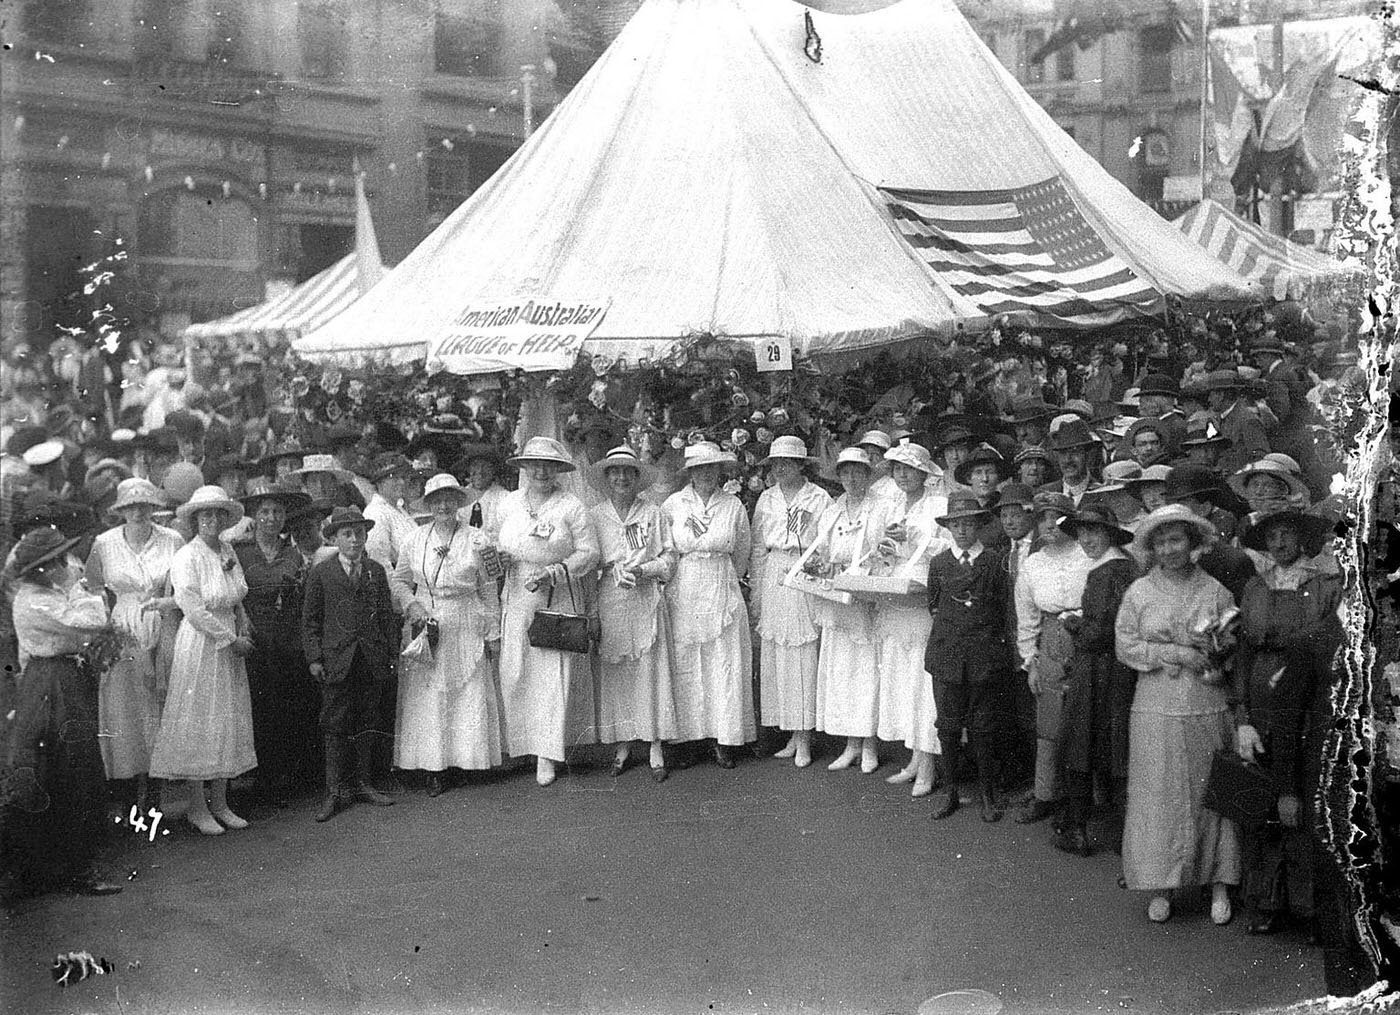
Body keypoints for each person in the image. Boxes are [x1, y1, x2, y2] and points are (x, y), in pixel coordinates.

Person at [1115, 504, 1241, 925]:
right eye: (1161, 541)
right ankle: (1162, 883)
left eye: (1177, 540)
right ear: (1152, 547)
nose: (1169, 549)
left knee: (1212, 793)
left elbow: (1229, 647)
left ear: (1193, 544)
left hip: (1206, 702)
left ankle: (1220, 883)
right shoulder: (1139, 593)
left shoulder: (1216, 591)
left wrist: (1213, 658)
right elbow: (1126, 646)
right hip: (1156, 704)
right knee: (1158, 795)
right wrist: (1174, 652)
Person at [1233, 507, 1342, 935]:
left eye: (1286, 535)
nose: (1278, 543)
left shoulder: (1323, 586)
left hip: (1308, 699)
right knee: (1261, 797)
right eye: (1271, 536)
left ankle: (1312, 908)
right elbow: (1242, 653)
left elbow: (1332, 646)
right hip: (1261, 697)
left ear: (1301, 540)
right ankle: (1267, 901)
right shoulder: (1255, 587)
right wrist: (1242, 714)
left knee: (1306, 796)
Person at [3, 527, 121, 895]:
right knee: (69, 767)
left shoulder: (46, 594)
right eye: (53, 562)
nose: (62, 566)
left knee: (70, 766)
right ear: (38, 569)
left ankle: (62, 864)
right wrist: (78, 589)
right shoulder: (36, 600)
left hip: (58, 677)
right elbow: (90, 621)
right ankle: (70, 868)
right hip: (51, 682)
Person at [149, 485, 257, 836]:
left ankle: (221, 803)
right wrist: (229, 639)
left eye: (217, 514)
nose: (211, 520)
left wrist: (241, 624)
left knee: (226, 717)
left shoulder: (227, 549)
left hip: (230, 639)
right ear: (195, 520)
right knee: (201, 720)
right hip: (202, 645)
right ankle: (197, 806)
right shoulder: (187, 557)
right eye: (204, 515)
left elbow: (237, 593)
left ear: (226, 519)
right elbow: (193, 609)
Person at [496, 436, 600, 786]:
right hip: (518, 595)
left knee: (550, 677)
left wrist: (555, 571)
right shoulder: (509, 503)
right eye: (534, 464)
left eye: (548, 465)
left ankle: (547, 754)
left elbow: (589, 554)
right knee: (517, 672)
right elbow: (496, 546)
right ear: (524, 467)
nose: (541, 471)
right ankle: (522, 746)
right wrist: (502, 558)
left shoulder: (571, 506)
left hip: (556, 596)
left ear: (558, 470)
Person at [391, 474, 504, 797]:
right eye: (436, 499)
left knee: (467, 688)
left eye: (449, 498)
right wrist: (411, 603)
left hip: (467, 617)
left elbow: (490, 588)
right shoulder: (414, 539)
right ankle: (434, 767)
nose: (443, 505)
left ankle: (465, 761)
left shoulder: (479, 539)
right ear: (428, 504)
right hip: (427, 619)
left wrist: (493, 631)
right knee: (430, 694)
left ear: (459, 502)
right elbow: (399, 581)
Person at [83, 478, 182, 811]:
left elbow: (182, 587)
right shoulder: (104, 543)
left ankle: (153, 801)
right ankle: (125, 803)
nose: (138, 512)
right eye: (131, 506)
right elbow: (92, 588)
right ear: (121, 510)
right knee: (125, 718)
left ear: (153, 507)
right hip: (122, 632)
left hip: (163, 625)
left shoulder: (172, 539)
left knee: (157, 712)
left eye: (144, 505)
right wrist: (105, 629)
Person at [301, 506, 400, 821]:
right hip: (337, 659)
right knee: (335, 724)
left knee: (366, 720)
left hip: (370, 658)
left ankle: (362, 783)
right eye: (347, 534)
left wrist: (390, 654)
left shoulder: (375, 571)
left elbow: (386, 616)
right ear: (334, 539)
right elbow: (311, 620)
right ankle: (334, 791)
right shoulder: (322, 573)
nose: (355, 540)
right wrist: (315, 657)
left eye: (359, 533)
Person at [586, 447, 679, 782]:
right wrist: (593, 610)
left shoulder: (652, 513)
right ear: (607, 478)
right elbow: (588, 564)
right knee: (618, 672)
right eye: (615, 472)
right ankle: (623, 743)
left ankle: (655, 744)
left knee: (649, 669)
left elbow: (670, 558)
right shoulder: (595, 516)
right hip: (610, 597)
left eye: (628, 472)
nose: (622, 478)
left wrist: (645, 570)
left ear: (637, 478)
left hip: (645, 597)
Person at [662, 441, 754, 768]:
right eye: (699, 468)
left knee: (723, 660)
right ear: (690, 472)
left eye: (711, 467)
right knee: (687, 660)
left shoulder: (733, 505)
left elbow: (743, 550)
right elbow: (666, 548)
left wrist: (728, 576)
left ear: (720, 470)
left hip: (720, 582)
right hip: (685, 586)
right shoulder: (674, 504)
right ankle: (689, 739)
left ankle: (724, 738)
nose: (706, 473)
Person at [1055, 503, 1139, 856]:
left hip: (1097, 671)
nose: (1087, 539)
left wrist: (1072, 623)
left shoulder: (1107, 572)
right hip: (1118, 671)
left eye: (1095, 531)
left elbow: (1098, 633)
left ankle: (1077, 830)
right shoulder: (1125, 569)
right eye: (1082, 532)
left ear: (1109, 534)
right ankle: (1119, 837)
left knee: (1081, 745)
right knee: (1112, 750)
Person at [925, 494, 1011, 822]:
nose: (961, 530)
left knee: (983, 727)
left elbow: (1002, 609)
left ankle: (988, 794)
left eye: (968, 523)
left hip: (983, 657)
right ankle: (951, 793)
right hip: (946, 656)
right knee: (947, 727)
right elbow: (933, 605)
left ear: (978, 525)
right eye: (955, 524)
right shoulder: (939, 564)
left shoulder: (994, 562)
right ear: (948, 527)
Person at [233, 478, 318, 807]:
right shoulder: (239, 551)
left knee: (287, 705)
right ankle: (258, 780)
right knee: (257, 707)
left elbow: (301, 599)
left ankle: (285, 778)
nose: (271, 517)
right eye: (265, 511)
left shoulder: (293, 553)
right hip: (253, 638)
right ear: (255, 516)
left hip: (287, 639)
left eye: (278, 512)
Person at [748, 436, 831, 769]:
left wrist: (815, 568)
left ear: (801, 465)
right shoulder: (767, 499)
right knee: (778, 654)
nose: (780, 468)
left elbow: (826, 544)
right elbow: (756, 548)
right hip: (774, 572)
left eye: (787, 462)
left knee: (802, 652)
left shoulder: (819, 497)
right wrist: (757, 591)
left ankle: (806, 737)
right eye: (775, 463)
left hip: (804, 571)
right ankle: (791, 733)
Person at [805, 448, 889, 773]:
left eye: (859, 472)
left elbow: (885, 552)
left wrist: (864, 573)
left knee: (866, 672)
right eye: (846, 472)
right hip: (836, 598)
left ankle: (869, 744)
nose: (852, 478)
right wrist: (824, 565)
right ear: (839, 476)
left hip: (864, 598)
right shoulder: (831, 511)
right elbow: (820, 550)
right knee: (841, 671)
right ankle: (850, 744)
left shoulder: (879, 508)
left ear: (868, 475)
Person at [1012, 492, 1091, 826]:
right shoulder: (1033, 563)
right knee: (1049, 724)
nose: (1049, 525)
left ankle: (1082, 803)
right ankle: (1045, 795)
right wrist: (1030, 660)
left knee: (1084, 721)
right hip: (1050, 642)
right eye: (1043, 517)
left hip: (1086, 638)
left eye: (1056, 517)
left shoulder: (1087, 555)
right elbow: (1027, 616)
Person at [874, 442, 948, 796]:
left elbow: (948, 547)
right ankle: (916, 757)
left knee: (923, 683)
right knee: (904, 679)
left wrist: (916, 536)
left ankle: (930, 765)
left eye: (909, 469)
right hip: (896, 593)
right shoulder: (890, 503)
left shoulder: (938, 504)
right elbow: (884, 546)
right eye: (897, 469)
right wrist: (885, 549)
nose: (902, 475)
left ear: (924, 473)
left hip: (922, 592)